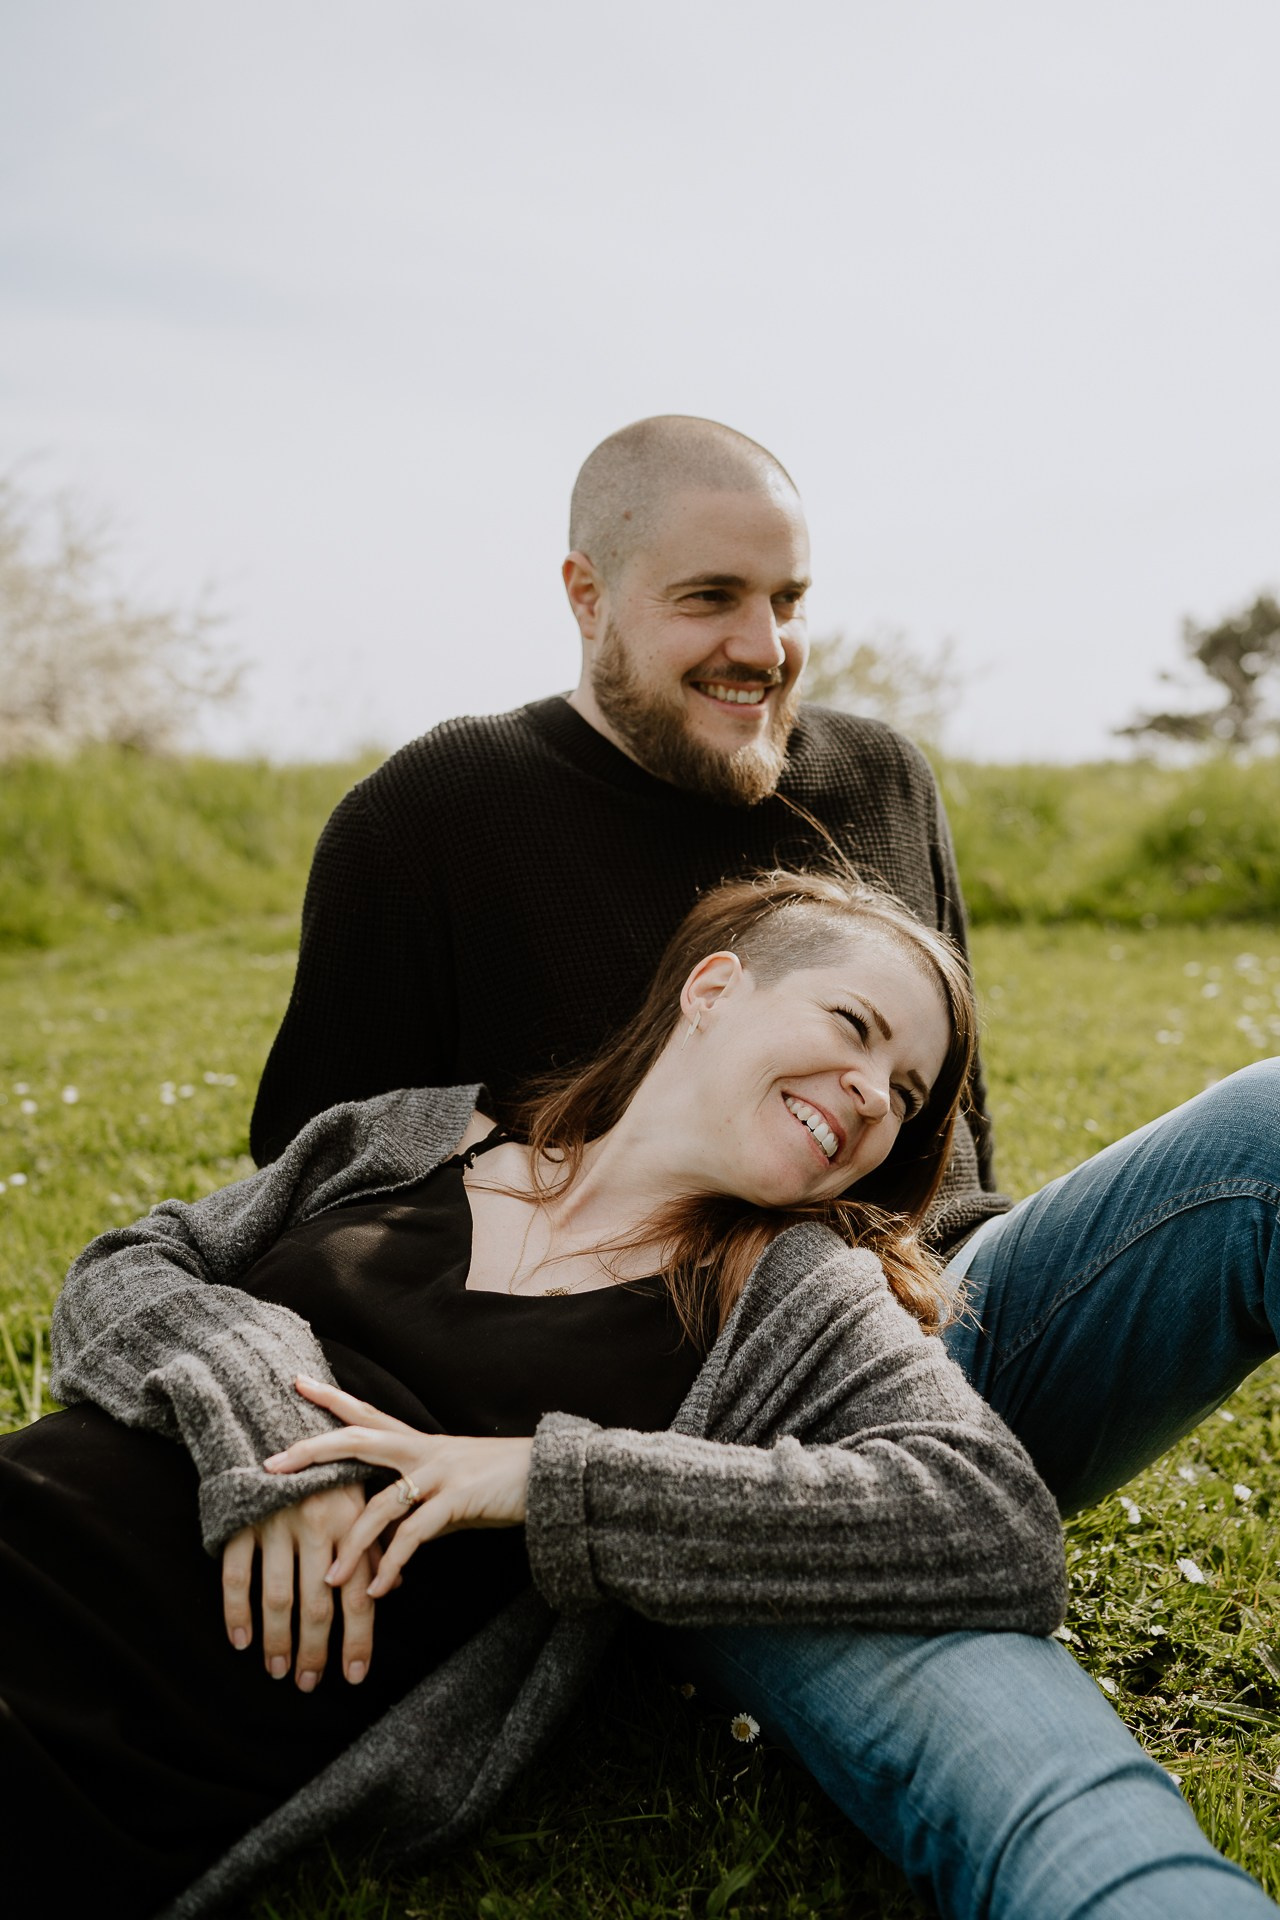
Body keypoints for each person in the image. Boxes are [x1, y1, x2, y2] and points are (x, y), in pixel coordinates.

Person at [246, 413, 1280, 1913]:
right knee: (1061, 1810)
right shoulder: (433, 818)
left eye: (789, 601)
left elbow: (954, 1165)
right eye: (710, 599)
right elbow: (314, 1217)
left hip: (932, 1349)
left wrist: (924, 1351)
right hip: (686, 1447)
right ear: (586, 596)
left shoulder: (881, 781)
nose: (765, 646)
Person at [4, 873, 1075, 1920]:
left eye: (905, 1092)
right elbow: (133, 1263)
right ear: (712, 991)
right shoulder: (407, 1135)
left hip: (119, 1734)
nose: (870, 1094)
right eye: (852, 1024)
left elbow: (993, 1520)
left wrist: (542, 1479)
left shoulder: (792, 1294)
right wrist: (266, 1417)